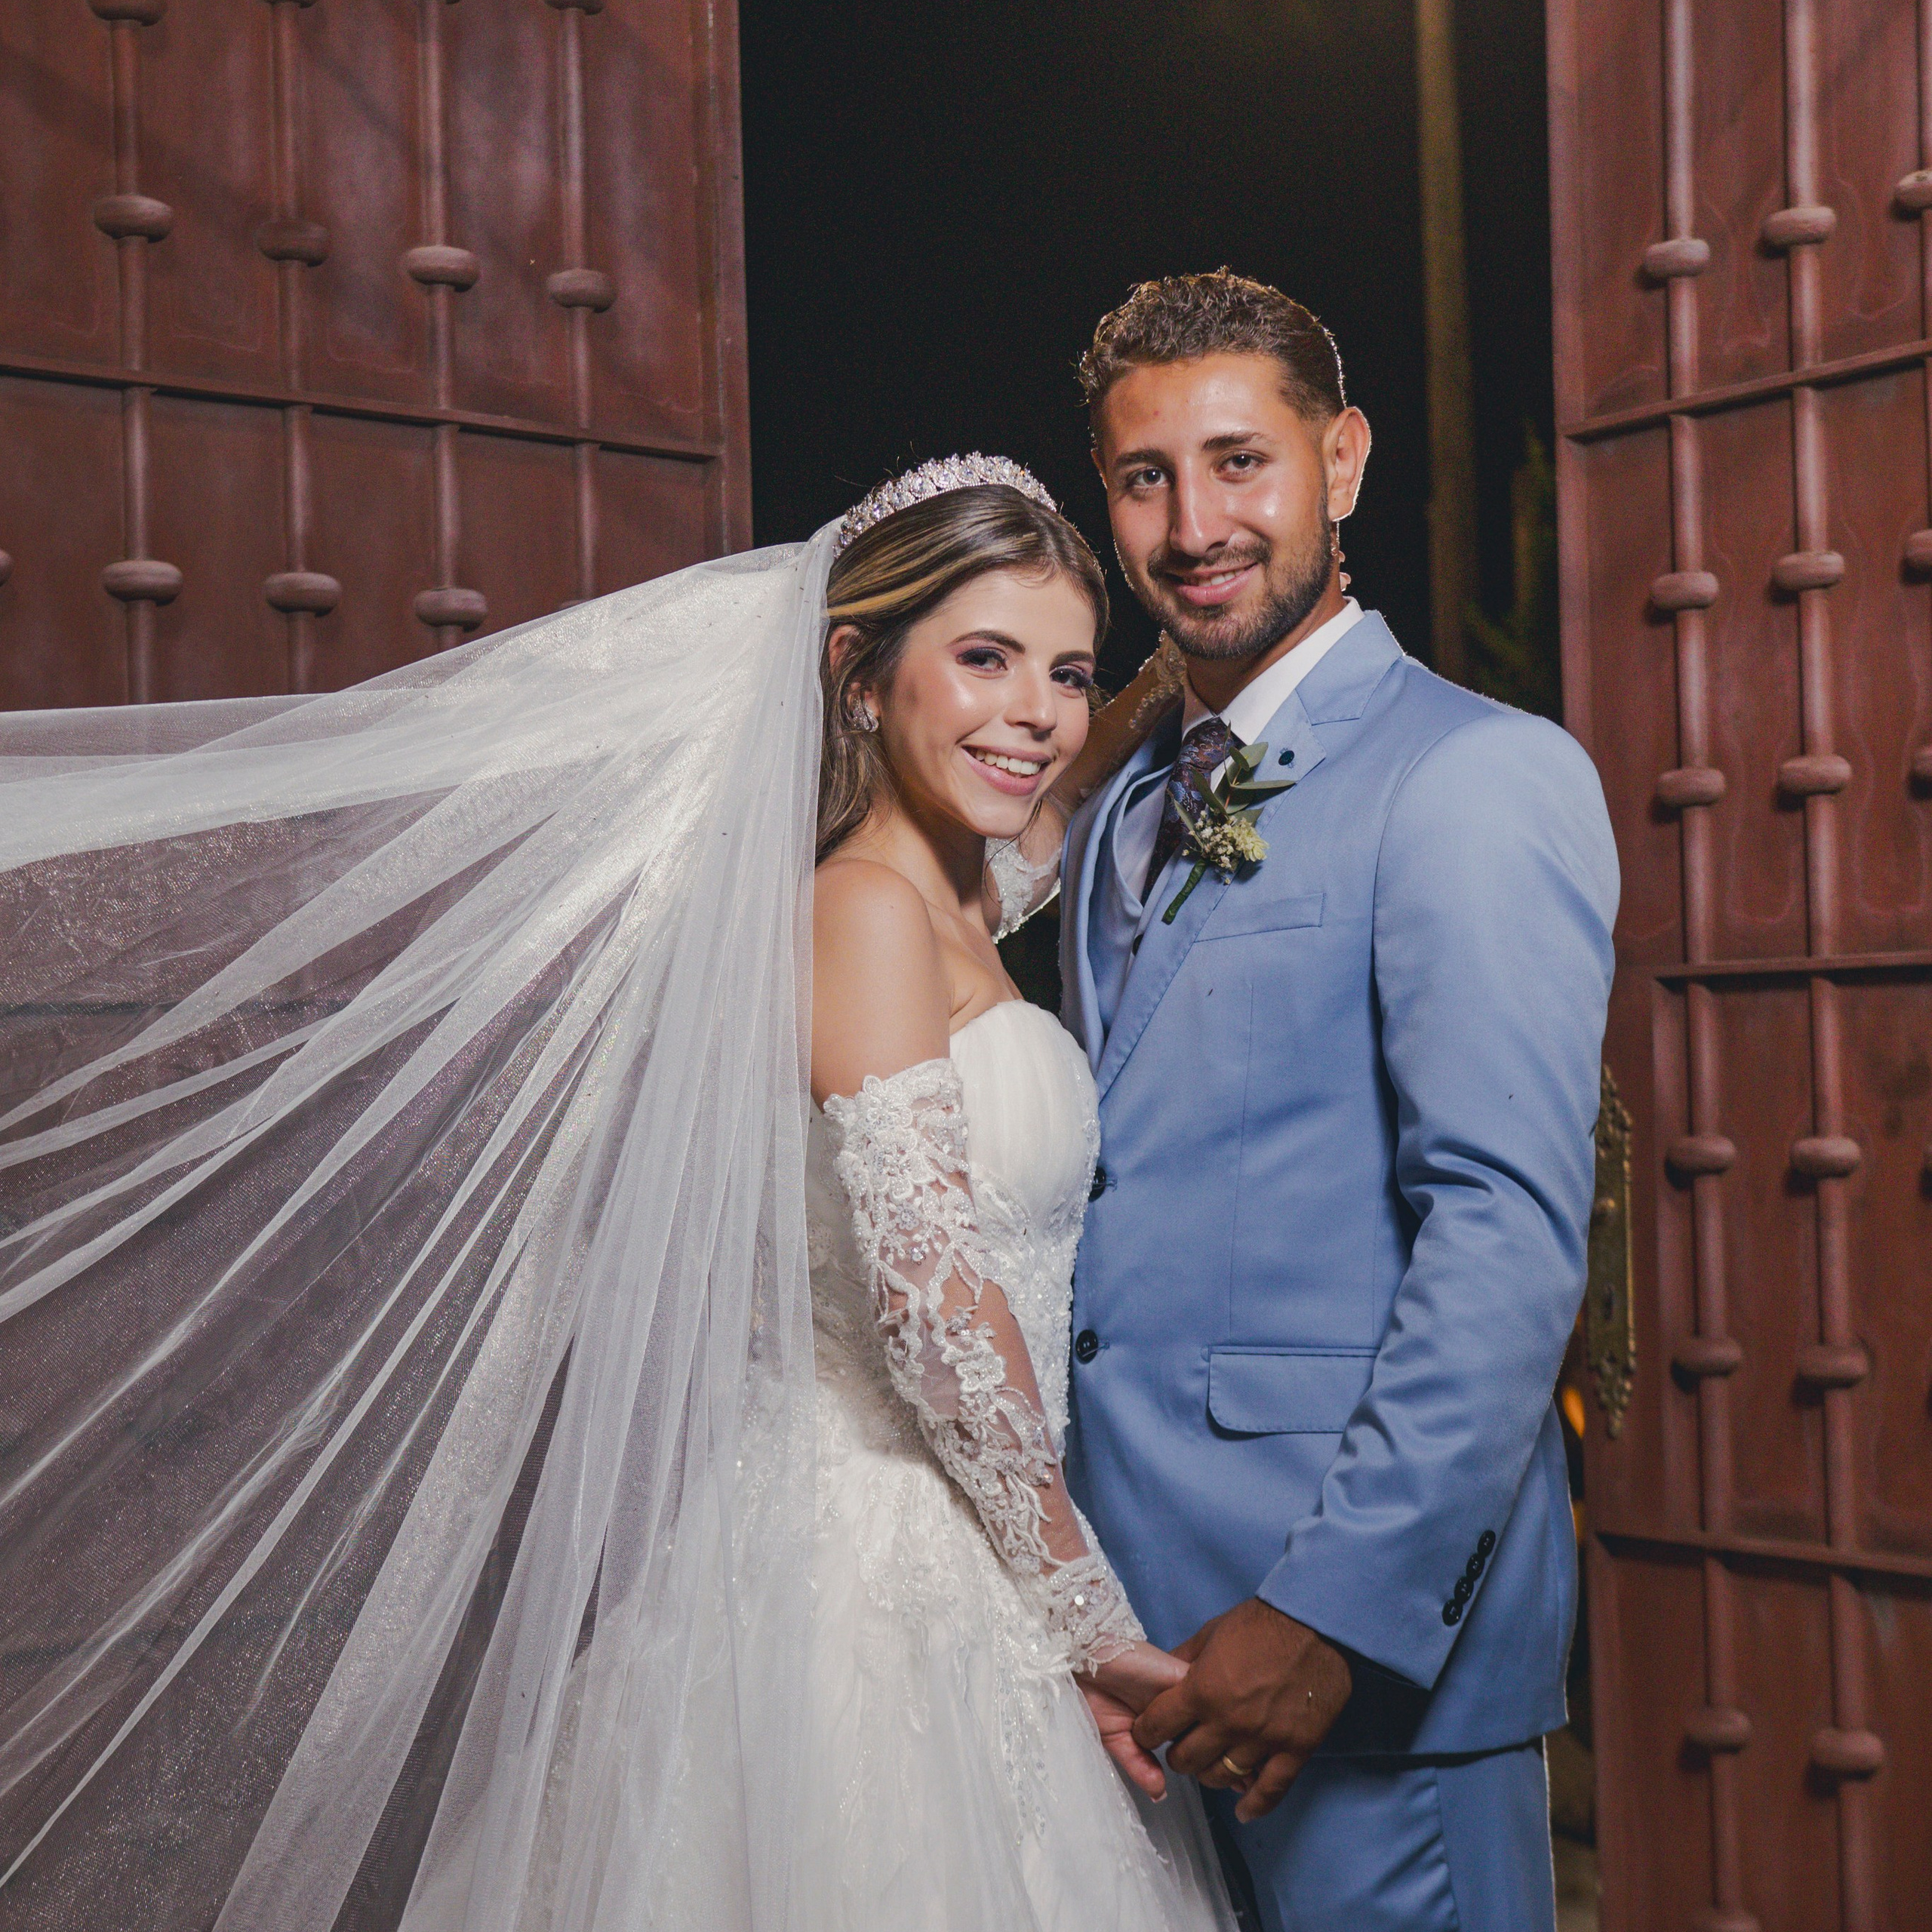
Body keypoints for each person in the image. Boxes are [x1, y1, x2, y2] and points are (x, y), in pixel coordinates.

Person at [0, 456, 1229, 1930]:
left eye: (1064, 670)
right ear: (854, 673)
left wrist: (1175, 675)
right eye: (982, 658)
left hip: (961, 1555)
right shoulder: (860, 913)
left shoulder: (960, 898)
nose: (1032, 708)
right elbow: (933, 1316)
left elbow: (1039, 819)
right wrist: (1087, 1618)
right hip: (872, 1572)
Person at [1058, 272, 1619, 1932]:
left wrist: (1334, 1615)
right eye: (1144, 476)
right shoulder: (1114, 814)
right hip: (1125, 1663)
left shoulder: (1474, 776)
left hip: (1355, 1675)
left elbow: (1504, 1241)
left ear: (1341, 461)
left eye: (1240, 461)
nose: (1192, 522)